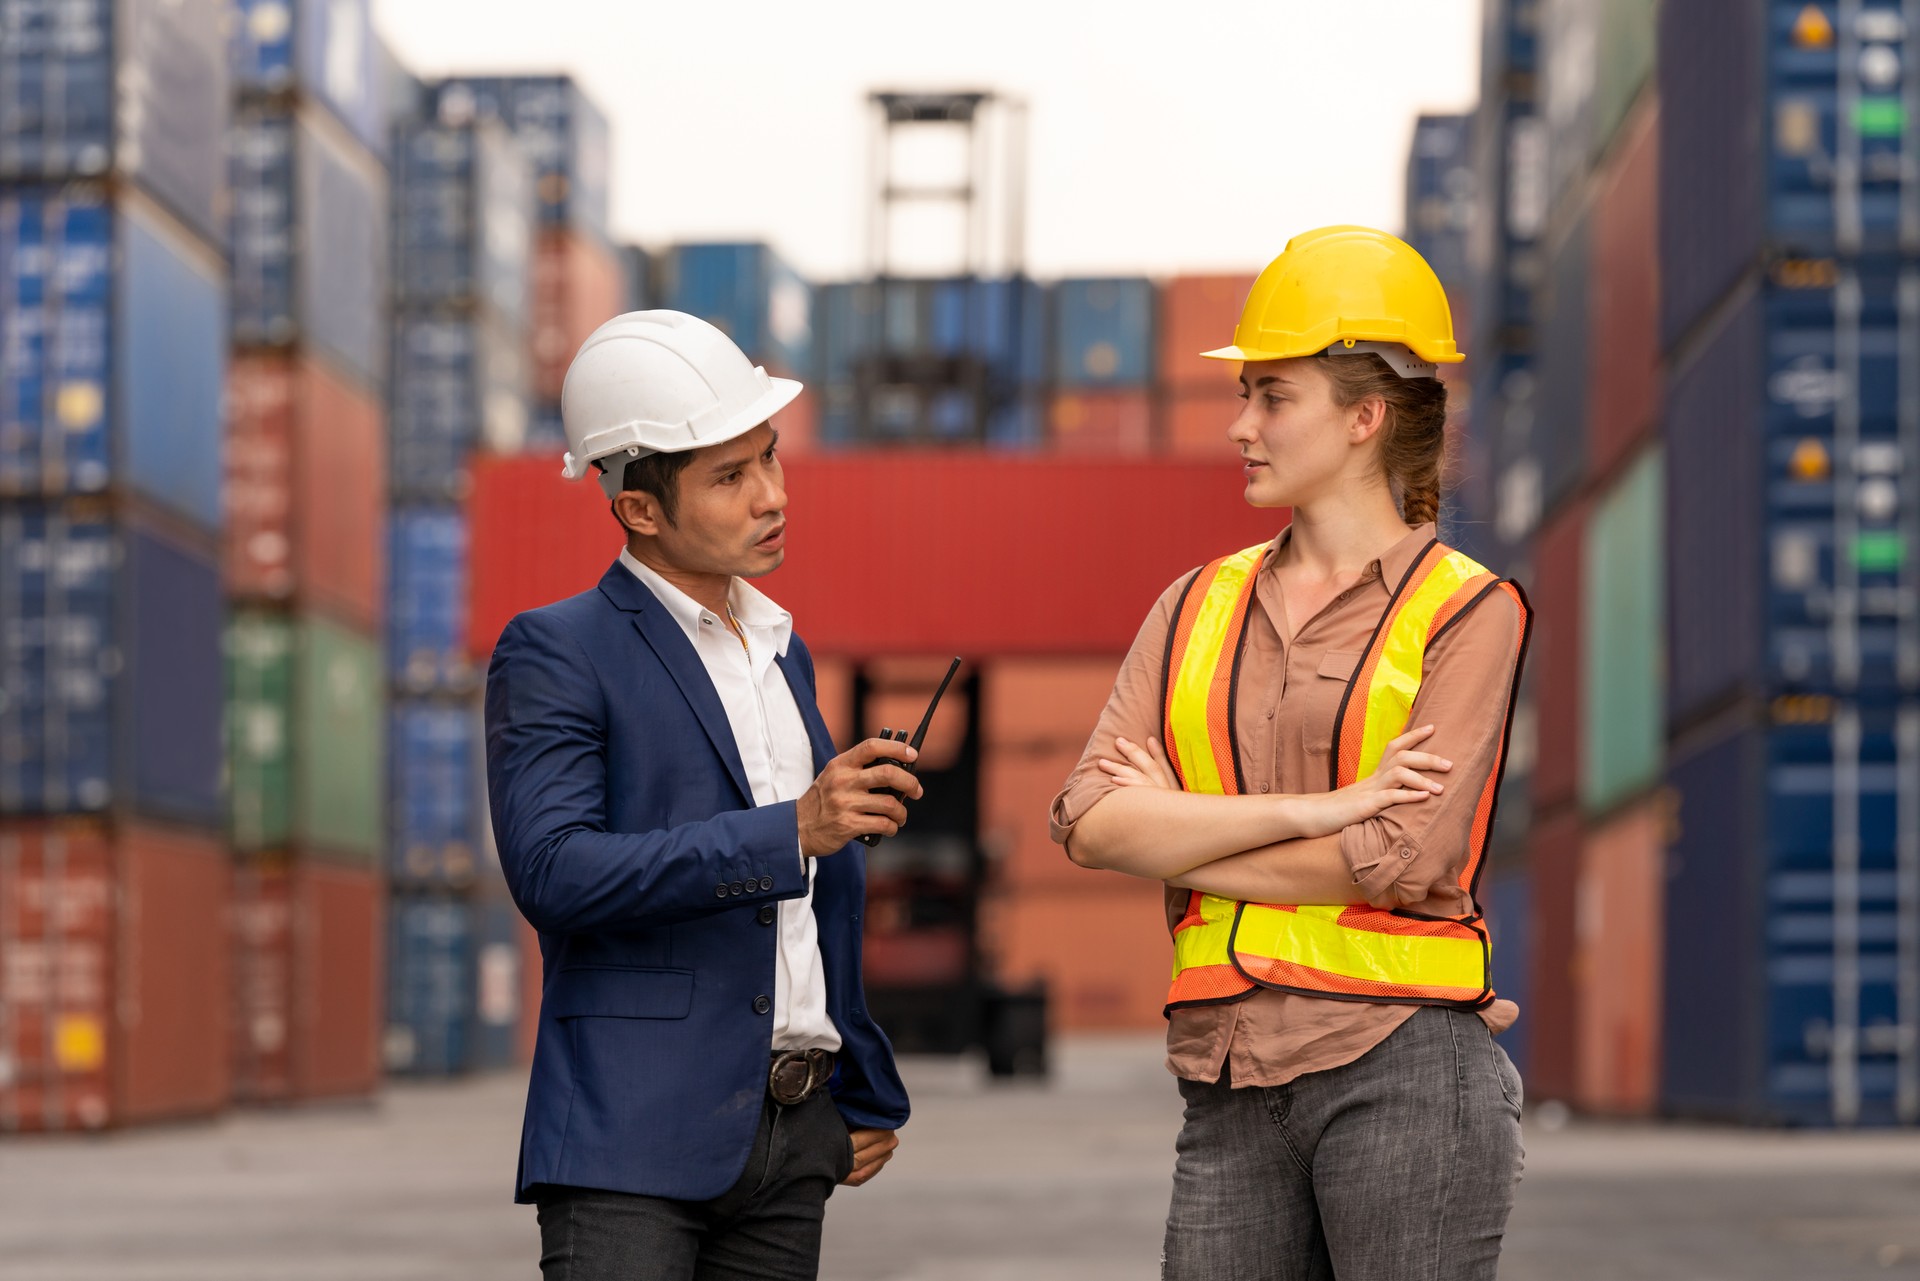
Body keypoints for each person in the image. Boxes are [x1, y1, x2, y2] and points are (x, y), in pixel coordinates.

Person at [1052, 226, 1533, 1280]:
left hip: (1405, 1068)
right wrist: (1321, 812)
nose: (1240, 426)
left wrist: (1171, 839)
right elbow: (1087, 821)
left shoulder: (1466, 611)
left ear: (1364, 419)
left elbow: (1397, 859)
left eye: (1273, 397)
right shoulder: (1194, 605)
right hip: (1225, 1076)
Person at [485, 311, 913, 1280]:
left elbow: (816, 906)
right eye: (730, 477)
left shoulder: (781, 651)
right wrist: (794, 827)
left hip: (792, 1140)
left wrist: (861, 1091)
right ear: (639, 510)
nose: (772, 495)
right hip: (632, 1142)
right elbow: (556, 873)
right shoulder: (559, 649)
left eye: (769, 458)